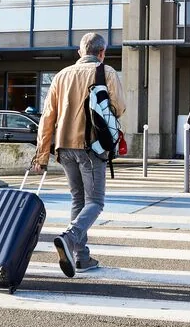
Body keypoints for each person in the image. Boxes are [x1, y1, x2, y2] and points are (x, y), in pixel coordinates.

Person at [33, 33, 126, 276]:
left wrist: (42, 155)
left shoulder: (61, 76)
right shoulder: (107, 72)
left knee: (78, 201)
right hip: (91, 146)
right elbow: (119, 107)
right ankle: (70, 238)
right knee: (95, 202)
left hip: (63, 147)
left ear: (80, 52)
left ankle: (81, 257)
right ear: (102, 52)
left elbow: (47, 117)